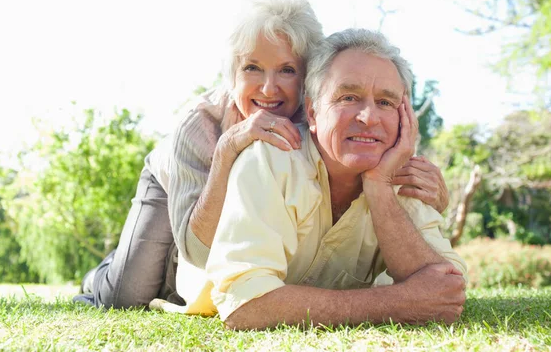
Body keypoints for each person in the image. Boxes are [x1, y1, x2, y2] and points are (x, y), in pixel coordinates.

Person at [74, 0, 450, 309]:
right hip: (173, 191)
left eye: (287, 70)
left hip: (223, 230)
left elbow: (369, 131)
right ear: (233, 74)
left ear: (308, 80)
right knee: (127, 292)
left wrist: (436, 193)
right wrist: (228, 148)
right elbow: (198, 253)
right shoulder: (199, 127)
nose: (269, 90)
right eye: (252, 68)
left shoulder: (320, 115)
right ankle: (100, 275)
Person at [150, 28, 467, 329]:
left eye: (385, 102)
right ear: (313, 113)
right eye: (348, 97)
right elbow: (244, 304)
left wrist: (379, 188)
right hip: (182, 257)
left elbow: (447, 290)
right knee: (123, 291)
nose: (369, 117)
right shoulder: (270, 158)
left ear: (404, 116)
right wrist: (396, 303)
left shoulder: (403, 174)